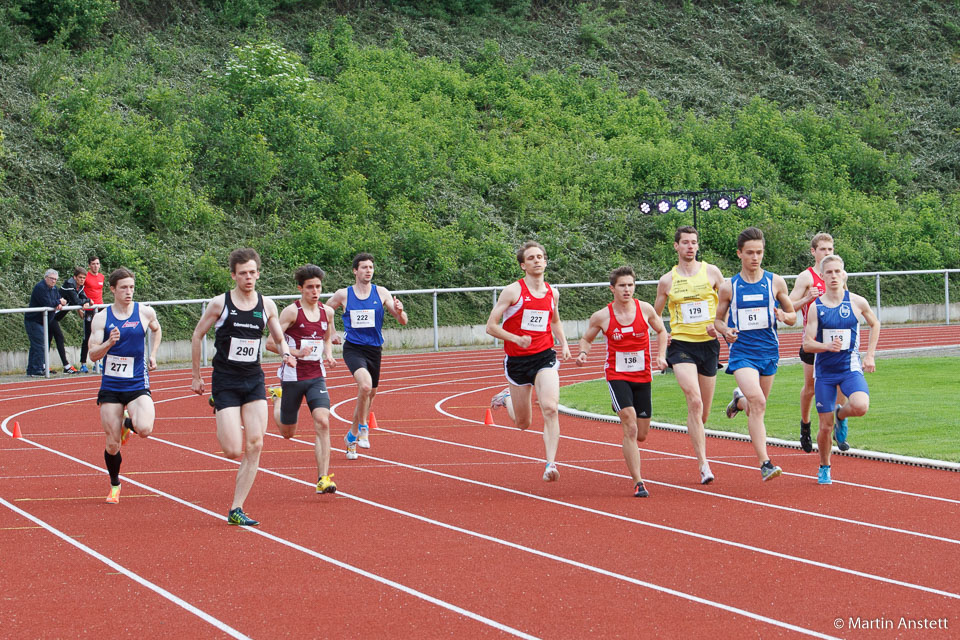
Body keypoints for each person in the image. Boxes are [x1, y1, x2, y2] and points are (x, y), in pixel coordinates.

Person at [190, 248, 292, 526]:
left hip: (253, 379)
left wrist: (285, 353)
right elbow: (198, 335)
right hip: (225, 380)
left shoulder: (267, 305)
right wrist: (196, 376)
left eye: (252, 272)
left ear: (258, 273)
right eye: (242, 273)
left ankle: (236, 508)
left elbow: (279, 337)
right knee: (233, 450)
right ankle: (217, 405)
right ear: (234, 275)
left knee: (256, 443)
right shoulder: (220, 304)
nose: (248, 277)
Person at [714, 227, 797, 482]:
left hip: (768, 353)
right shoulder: (730, 286)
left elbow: (793, 316)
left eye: (759, 252)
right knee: (759, 403)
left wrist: (785, 316)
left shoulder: (775, 282)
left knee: (755, 407)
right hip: (742, 354)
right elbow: (717, 321)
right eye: (750, 252)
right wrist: (726, 330)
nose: (755, 257)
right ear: (739, 254)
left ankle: (739, 402)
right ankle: (765, 463)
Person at [577, 266, 668, 497]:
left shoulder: (645, 309)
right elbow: (586, 338)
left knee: (642, 434)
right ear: (612, 289)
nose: (627, 289)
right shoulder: (602, 316)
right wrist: (583, 353)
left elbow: (662, 331)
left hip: (643, 376)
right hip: (617, 375)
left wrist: (660, 355)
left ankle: (621, 406)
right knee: (630, 424)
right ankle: (639, 482)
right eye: (622, 286)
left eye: (630, 285)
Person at [485, 241, 572, 482]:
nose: (537, 260)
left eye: (540, 256)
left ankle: (550, 464)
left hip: (545, 356)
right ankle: (506, 399)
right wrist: (516, 338)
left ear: (545, 261)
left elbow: (555, 320)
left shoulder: (552, 292)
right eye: (531, 258)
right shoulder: (513, 291)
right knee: (523, 423)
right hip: (517, 361)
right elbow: (491, 327)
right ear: (523, 265)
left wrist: (563, 343)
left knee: (551, 407)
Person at [654, 226, 725, 484]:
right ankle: (704, 465)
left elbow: (728, 302)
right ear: (676, 246)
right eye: (685, 243)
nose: (690, 247)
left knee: (702, 413)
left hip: (708, 345)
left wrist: (719, 324)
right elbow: (655, 315)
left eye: (694, 242)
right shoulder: (667, 280)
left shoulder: (713, 272)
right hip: (681, 345)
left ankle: (705, 427)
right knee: (694, 402)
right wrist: (664, 334)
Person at [802, 255, 880, 483]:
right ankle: (824, 466)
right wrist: (826, 346)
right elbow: (807, 343)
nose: (834, 276)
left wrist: (870, 354)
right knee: (825, 428)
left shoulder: (856, 302)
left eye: (838, 272)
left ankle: (841, 414)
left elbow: (875, 323)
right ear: (823, 277)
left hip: (850, 368)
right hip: (825, 373)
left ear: (844, 274)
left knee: (861, 405)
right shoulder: (816, 308)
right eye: (829, 272)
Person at [87, 268, 162, 503]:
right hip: (111, 385)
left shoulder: (144, 312)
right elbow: (92, 355)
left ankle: (128, 423)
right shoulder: (102, 318)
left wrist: (154, 354)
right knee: (112, 444)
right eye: (123, 288)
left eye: (131, 287)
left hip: (137, 382)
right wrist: (109, 342)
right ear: (112, 289)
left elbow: (156, 329)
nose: (129, 292)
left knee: (146, 429)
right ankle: (115, 484)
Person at [326, 253, 408, 460]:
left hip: (374, 350)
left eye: (371, 267)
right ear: (355, 271)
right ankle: (363, 427)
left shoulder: (381, 292)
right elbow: (325, 310)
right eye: (364, 267)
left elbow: (402, 321)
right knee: (364, 386)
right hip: (353, 348)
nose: (368, 270)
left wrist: (400, 311)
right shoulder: (343, 294)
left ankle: (351, 437)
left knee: (368, 397)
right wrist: (332, 332)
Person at [264, 265, 338, 494]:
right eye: (310, 288)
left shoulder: (328, 312)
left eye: (318, 287)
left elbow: (327, 338)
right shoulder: (291, 312)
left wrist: (328, 355)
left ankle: (323, 478)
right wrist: (294, 353)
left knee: (323, 422)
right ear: (300, 288)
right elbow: (269, 343)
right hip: (292, 377)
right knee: (288, 433)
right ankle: (278, 398)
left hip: (316, 376)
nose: (315, 292)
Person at [788, 233, 846, 452]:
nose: (827, 253)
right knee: (810, 389)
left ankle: (840, 423)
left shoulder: (840, 274)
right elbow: (789, 307)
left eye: (830, 250)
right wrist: (806, 299)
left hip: (837, 340)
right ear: (813, 252)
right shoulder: (807, 277)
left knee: (842, 385)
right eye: (823, 249)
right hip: (813, 341)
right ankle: (805, 425)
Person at [24, 269, 67, 377]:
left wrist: (59, 302)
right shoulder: (40, 287)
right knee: (40, 344)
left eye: (55, 279)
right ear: (46, 278)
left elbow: (57, 300)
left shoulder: (54, 289)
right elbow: (47, 302)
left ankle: (32, 369)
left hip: (43, 321)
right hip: (34, 320)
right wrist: (59, 302)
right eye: (52, 279)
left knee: (37, 345)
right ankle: (37, 369)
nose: (53, 281)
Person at [55, 267, 92, 374]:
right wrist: (86, 301)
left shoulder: (80, 287)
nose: (82, 280)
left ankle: (44, 365)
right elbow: (77, 301)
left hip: (56, 318)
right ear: (74, 277)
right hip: (51, 315)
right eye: (80, 277)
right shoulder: (69, 285)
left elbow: (83, 298)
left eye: (84, 278)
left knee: (54, 339)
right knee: (59, 338)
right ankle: (66, 366)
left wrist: (85, 301)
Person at [84, 256, 106, 373]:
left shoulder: (102, 276)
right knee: (88, 336)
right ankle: (83, 363)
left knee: (100, 336)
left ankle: (98, 363)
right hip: (90, 310)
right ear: (89, 265)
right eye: (93, 264)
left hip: (100, 309)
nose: (95, 266)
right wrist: (81, 308)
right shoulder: (86, 277)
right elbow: (81, 292)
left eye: (97, 264)